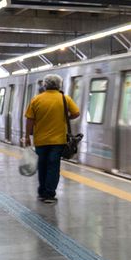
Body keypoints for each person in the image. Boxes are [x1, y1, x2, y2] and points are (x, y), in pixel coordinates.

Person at [21, 74, 80, 204]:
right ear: (59, 85)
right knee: (53, 166)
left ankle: (42, 192)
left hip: (40, 141)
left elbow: (29, 120)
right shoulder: (65, 99)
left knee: (42, 166)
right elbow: (76, 113)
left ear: (45, 85)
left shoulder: (36, 100)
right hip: (58, 141)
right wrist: (65, 118)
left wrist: (27, 137)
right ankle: (49, 194)